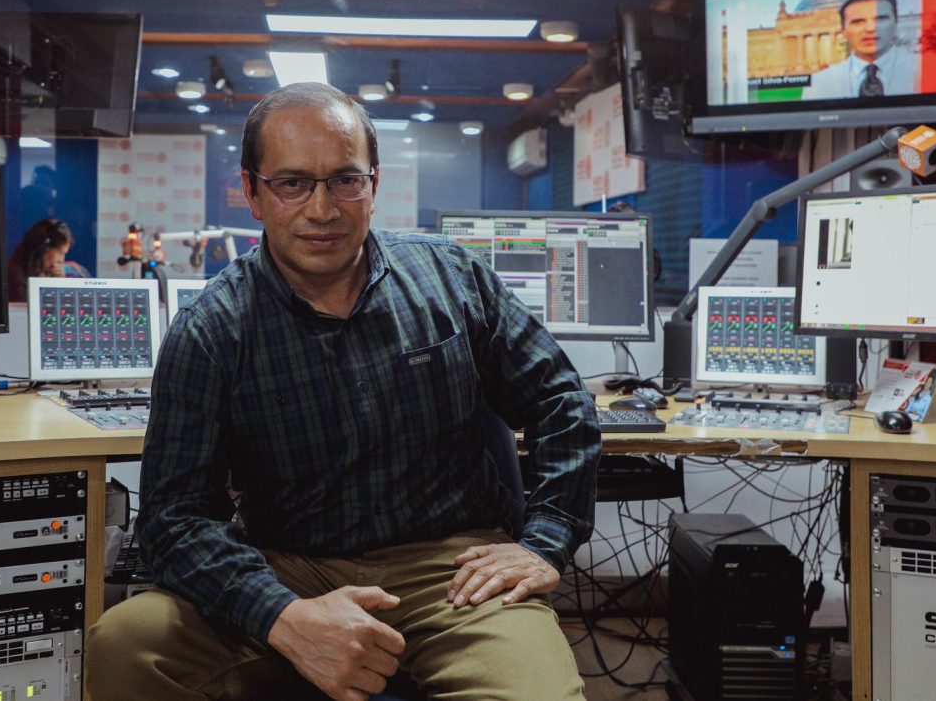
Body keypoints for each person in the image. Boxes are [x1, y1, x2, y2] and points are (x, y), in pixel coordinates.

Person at [86, 82, 601, 701]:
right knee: (126, 646)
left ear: (373, 185)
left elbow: (561, 399)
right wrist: (279, 614)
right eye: (293, 183)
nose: (322, 209)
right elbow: (174, 519)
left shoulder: (451, 279)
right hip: (288, 566)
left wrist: (545, 542)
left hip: (453, 569)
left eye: (344, 181)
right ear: (252, 192)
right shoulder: (211, 329)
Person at [802, 0, 920, 100]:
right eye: (857, 22)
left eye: (880, 19)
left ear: (896, 23)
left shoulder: (926, 71)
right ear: (843, 30)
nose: (870, 29)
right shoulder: (818, 83)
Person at [6, 217, 88, 302]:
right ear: (43, 249)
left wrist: (59, 282)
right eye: (60, 253)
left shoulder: (70, 269)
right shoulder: (15, 278)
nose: (61, 261)